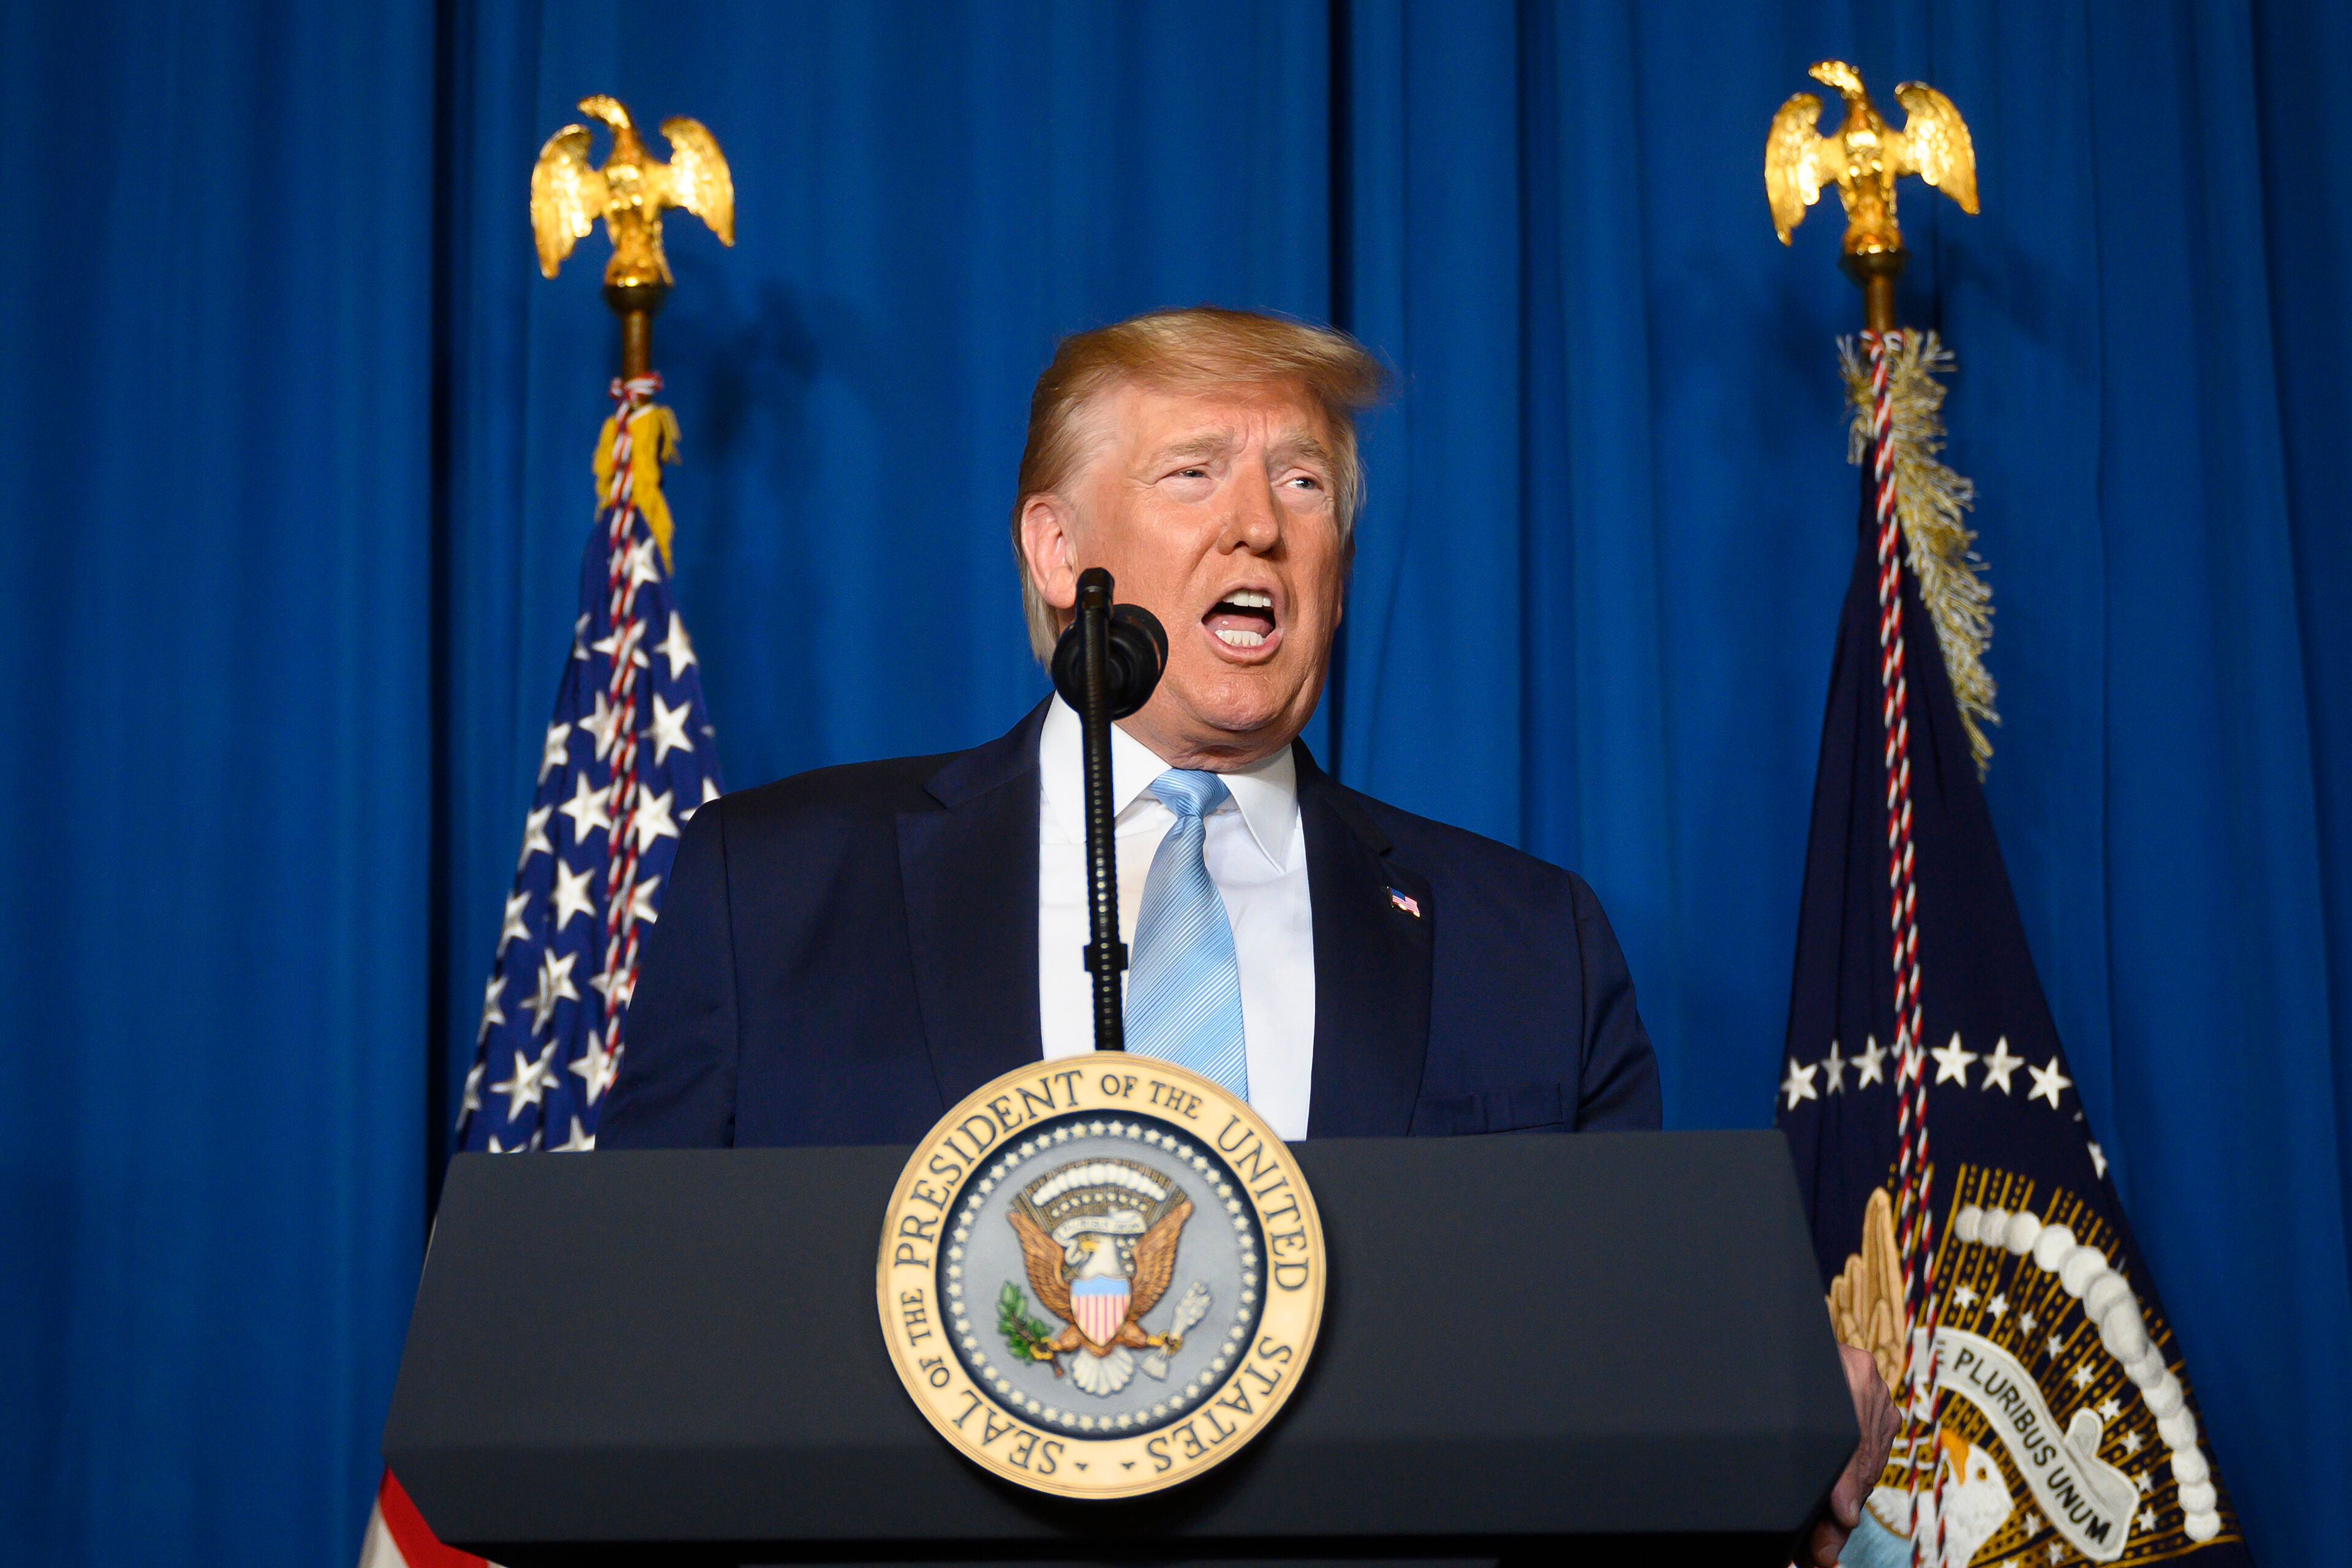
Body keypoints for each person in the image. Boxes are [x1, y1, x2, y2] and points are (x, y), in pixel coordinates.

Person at [600, 306, 1895, 1566]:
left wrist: (1772, 1441)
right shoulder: (774, 891)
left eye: (1304, 483)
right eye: (1193, 472)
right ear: (1056, 549)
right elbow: (643, 1341)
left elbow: (1616, 1391)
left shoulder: (1528, 945)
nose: (1260, 525)